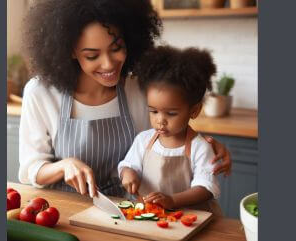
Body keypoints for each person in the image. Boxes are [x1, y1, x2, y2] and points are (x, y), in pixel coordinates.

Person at [18, 0, 232, 199]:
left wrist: (204, 147)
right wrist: (63, 166)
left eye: (116, 48)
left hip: (123, 210)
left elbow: (165, 137)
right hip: (66, 210)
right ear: (71, 51)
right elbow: (30, 171)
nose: (109, 64)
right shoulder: (41, 93)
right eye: (92, 55)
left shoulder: (138, 89)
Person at [117, 45, 223, 215]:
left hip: (189, 219)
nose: (160, 120)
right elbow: (128, 165)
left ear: (194, 111)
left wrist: (172, 200)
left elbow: (206, 187)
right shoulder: (143, 140)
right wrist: (128, 173)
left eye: (171, 113)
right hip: (151, 217)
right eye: (153, 111)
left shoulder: (200, 148)